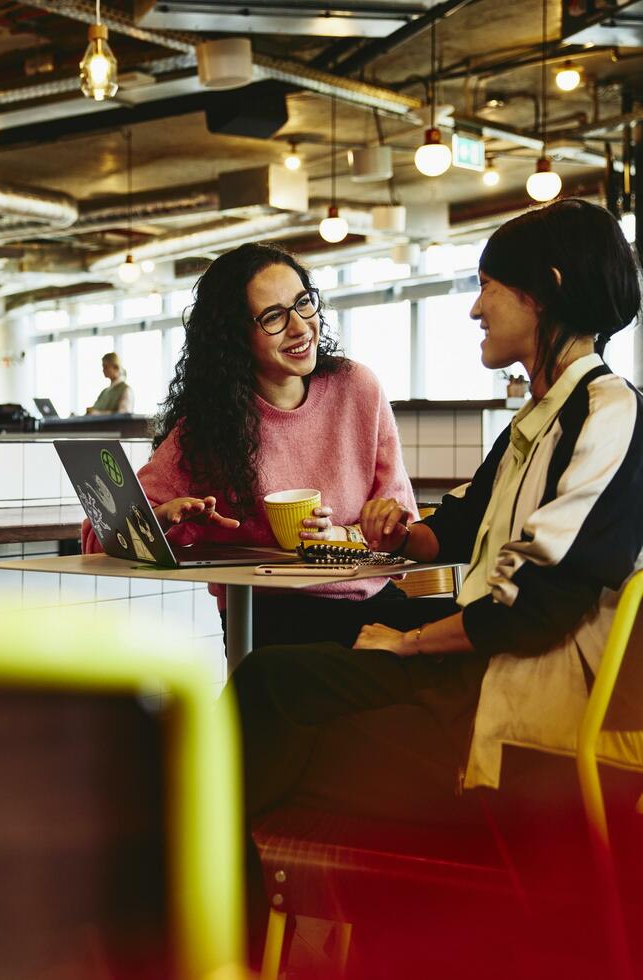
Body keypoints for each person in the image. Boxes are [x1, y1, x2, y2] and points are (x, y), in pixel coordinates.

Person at [234, 198, 643, 964]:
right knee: (267, 687)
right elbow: (454, 526)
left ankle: (220, 931)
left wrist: (411, 643)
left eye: (488, 286)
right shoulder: (539, 416)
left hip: (523, 726)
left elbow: (539, 604)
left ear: (543, 290)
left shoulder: (606, 411)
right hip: (478, 679)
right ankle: (231, 932)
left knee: (265, 737)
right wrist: (402, 528)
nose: (473, 309)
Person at [81, 243, 434, 649]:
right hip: (272, 620)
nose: (300, 326)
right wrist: (161, 518)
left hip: (373, 603)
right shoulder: (209, 428)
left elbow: (400, 529)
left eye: (304, 303)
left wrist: (340, 536)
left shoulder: (357, 388)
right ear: (235, 336)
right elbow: (97, 540)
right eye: (273, 317)